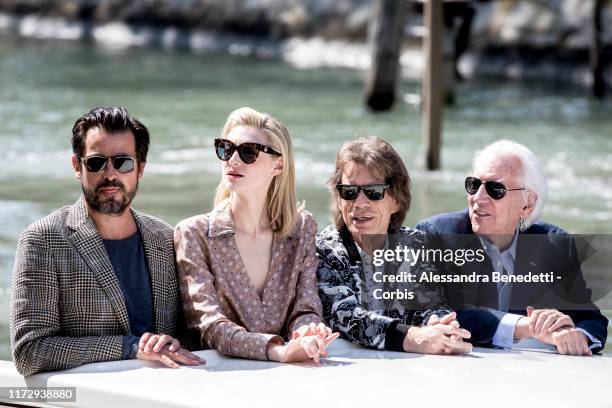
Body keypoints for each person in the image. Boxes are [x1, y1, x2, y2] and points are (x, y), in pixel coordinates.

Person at [10, 106, 204, 376]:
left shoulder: (166, 239)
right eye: (97, 162)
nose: (110, 174)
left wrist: (175, 343)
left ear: (141, 169)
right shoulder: (43, 240)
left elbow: (191, 336)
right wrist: (129, 347)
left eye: (123, 162)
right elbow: (30, 351)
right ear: (77, 166)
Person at [175, 107, 338, 363]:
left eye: (248, 152)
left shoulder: (302, 228)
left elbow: (306, 308)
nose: (233, 160)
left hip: (291, 379)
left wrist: (308, 330)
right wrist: (277, 351)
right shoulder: (194, 234)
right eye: (226, 149)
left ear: (278, 164)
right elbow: (210, 326)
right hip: (222, 380)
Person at [416, 140, 608, 355]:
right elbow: (441, 312)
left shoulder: (554, 244)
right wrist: (529, 327)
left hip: (531, 376)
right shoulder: (436, 235)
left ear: (527, 205)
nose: (478, 198)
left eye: (495, 189)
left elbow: (590, 319)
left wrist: (572, 333)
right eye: (473, 184)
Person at [316, 136, 472, 355]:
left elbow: (430, 305)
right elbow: (346, 317)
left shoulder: (417, 245)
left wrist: (440, 326)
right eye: (349, 192)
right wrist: (415, 338)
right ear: (339, 198)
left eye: (373, 192)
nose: (359, 203)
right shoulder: (324, 250)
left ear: (396, 200)